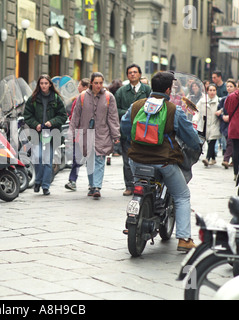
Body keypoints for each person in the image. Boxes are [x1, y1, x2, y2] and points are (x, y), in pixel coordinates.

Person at [120, 71, 201, 252]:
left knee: (140, 183)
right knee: (182, 195)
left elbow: (125, 127)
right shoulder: (174, 110)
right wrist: (197, 143)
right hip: (163, 161)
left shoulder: (136, 106)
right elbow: (190, 138)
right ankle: (184, 238)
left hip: (136, 159)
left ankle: (136, 216)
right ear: (168, 89)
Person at [70, 72, 120, 198]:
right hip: (86, 134)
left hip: (102, 133)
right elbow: (76, 117)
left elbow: (113, 117)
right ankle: (92, 185)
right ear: (91, 83)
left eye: (101, 83)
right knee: (90, 161)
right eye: (96, 83)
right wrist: (71, 134)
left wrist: (116, 135)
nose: (98, 85)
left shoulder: (109, 97)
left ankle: (97, 186)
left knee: (100, 160)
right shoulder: (82, 97)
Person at [23, 75, 67, 195]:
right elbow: (27, 115)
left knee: (47, 160)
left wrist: (51, 122)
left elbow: (63, 116)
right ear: (39, 85)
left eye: (46, 83)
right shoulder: (33, 98)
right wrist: (35, 124)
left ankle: (45, 186)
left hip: (52, 133)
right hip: (37, 133)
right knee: (38, 157)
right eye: (41, 83)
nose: (43, 85)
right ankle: (38, 181)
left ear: (50, 85)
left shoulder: (56, 99)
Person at [115, 64, 151, 196]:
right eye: (130, 72)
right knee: (127, 160)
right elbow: (115, 109)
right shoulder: (121, 91)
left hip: (144, 131)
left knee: (143, 159)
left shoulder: (147, 90)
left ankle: (142, 185)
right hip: (127, 131)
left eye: (135, 72)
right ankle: (129, 186)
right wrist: (129, 112)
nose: (133, 74)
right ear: (127, 75)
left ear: (140, 74)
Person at [65, 78, 90, 191]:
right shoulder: (78, 99)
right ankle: (74, 181)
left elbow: (72, 116)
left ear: (84, 87)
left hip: (83, 132)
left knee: (80, 158)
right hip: (82, 132)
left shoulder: (80, 99)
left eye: (79, 85)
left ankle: (75, 181)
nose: (78, 88)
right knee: (79, 158)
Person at [215, 79, 237, 169]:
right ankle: (232, 160)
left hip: (235, 124)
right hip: (225, 124)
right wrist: (222, 117)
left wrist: (230, 117)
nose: (229, 88)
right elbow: (218, 112)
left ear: (235, 88)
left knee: (230, 142)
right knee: (230, 142)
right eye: (227, 86)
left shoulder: (237, 99)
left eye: (231, 86)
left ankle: (226, 159)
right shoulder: (224, 99)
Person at [198, 83, 221, 166]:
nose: (212, 92)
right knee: (208, 141)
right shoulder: (202, 101)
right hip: (205, 124)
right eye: (210, 90)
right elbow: (197, 111)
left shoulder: (219, 101)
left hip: (215, 123)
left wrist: (220, 112)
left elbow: (223, 109)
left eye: (214, 90)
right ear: (207, 91)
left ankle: (207, 158)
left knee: (212, 140)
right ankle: (213, 158)